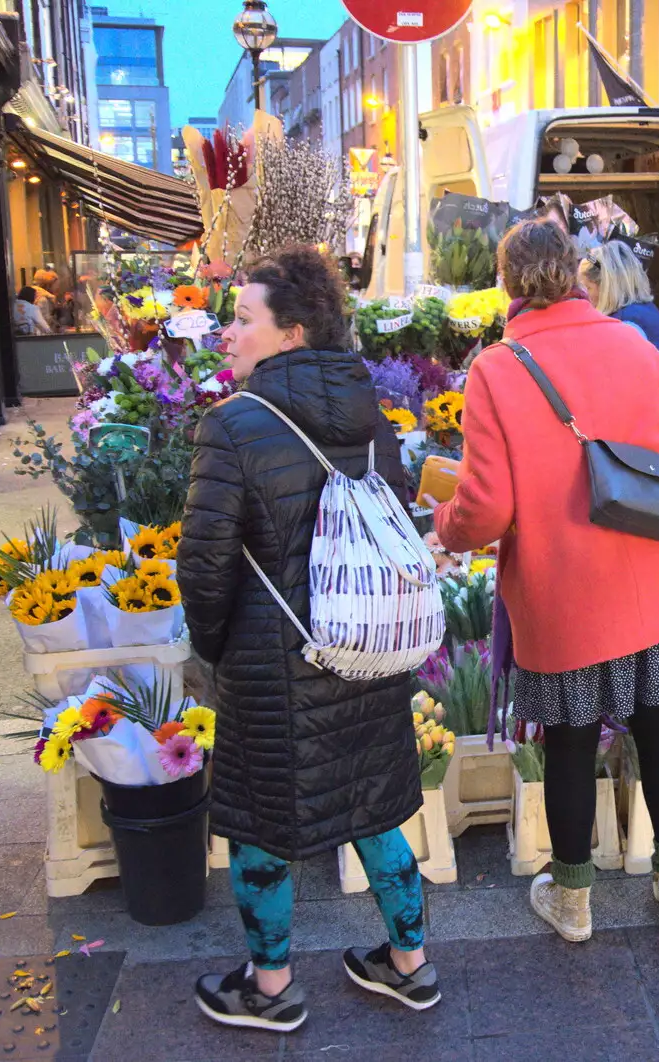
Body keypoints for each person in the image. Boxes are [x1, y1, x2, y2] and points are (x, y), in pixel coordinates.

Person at [178, 245, 438, 1031]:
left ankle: (270, 985)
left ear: (290, 334)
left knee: (262, 824)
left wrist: (212, 651)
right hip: (367, 646)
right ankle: (410, 964)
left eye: (242, 318)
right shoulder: (371, 417)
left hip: (275, 662)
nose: (227, 331)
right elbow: (397, 518)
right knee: (372, 807)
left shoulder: (234, 426)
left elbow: (205, 564)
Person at [433, 220, 659, 942]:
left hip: (568, 594)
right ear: (579, 274)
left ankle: (575, 901)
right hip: (658, 577)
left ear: (506, 284)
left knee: (568, 741)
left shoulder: (498, 367)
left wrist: (447, 526)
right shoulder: (632, 340)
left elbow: (487, 506)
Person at [579, 240, 659, 365]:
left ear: (606, 287)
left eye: (589, 288)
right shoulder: (644, 311)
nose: (586, 296)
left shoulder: (628, 324)